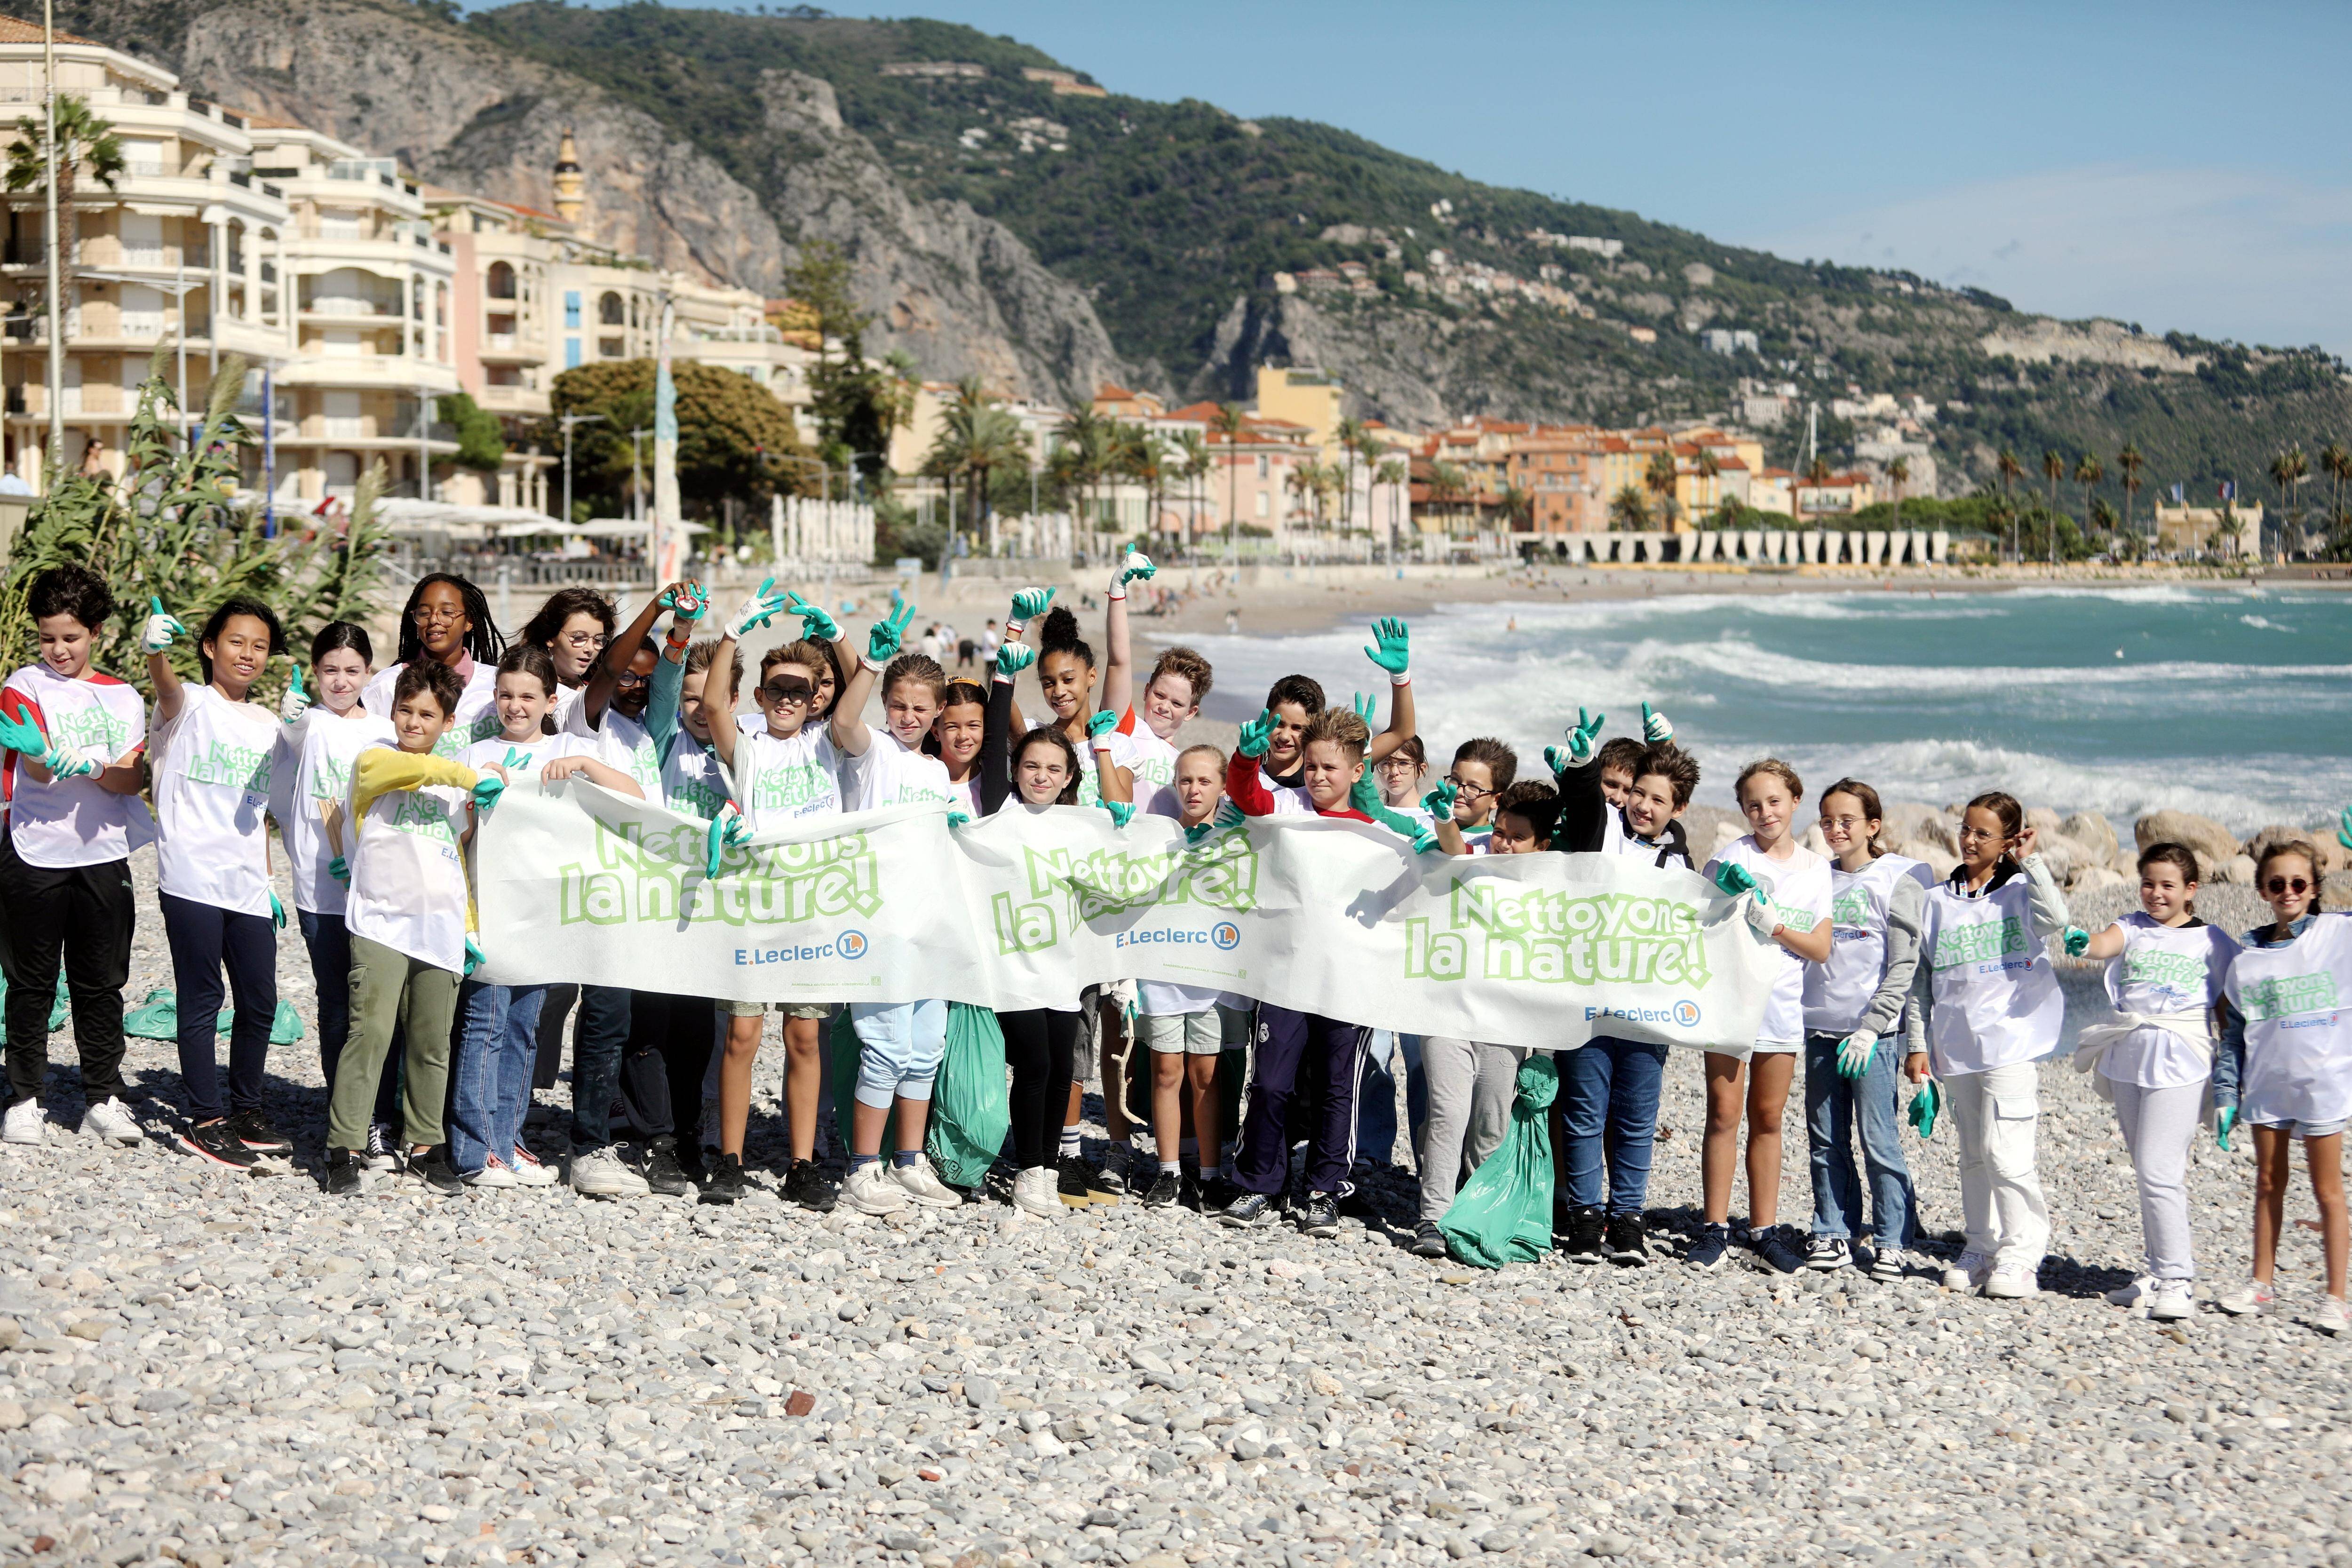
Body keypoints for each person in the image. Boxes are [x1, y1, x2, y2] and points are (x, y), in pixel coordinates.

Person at [451, 644, 642, 1188]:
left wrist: (584, 765)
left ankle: (508, 1142)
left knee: (523, 1029)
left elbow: (635, 797)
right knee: (484, 1024)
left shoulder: (569, 746)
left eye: (528, 696)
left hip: (544, 916)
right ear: (494, 699)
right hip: (490, 910)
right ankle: (473, 1148)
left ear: (550, 700)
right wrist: (472, 802)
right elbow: (456, 836)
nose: (516, 706)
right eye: (506, 695)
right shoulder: (475, 754)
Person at [322, 661, 505, 1196]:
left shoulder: (453, 788)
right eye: (405, 709)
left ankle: (426, 1145)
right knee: (371, 1034)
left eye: (427, 714)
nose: (413, 721)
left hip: (441, 928)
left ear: (448, 721)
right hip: (380, 920)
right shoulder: (375, 761)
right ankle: (344, 1146)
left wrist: (469, 928)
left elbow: (457, 858)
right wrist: (477, 775)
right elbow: (424, 772)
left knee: (431, 1044)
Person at [705, 581, 850, 1212]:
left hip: (811, 910)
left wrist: (840, 638)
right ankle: (730, 1159)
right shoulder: (750, 744)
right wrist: (734, 631)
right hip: (750, 908)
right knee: (741, 1033)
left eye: (801, 690)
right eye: (777, 690)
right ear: (761, 697)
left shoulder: (830, 742)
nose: (788, 699)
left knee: (804, 1039)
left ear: (815, 697)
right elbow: (712, 704)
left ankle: (802, 1162)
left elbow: (850, 699)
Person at [1219, 704, 1385, 1237]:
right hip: (1285, 977)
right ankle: (1258, 1185)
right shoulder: (1288, 806)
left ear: (1357, 772)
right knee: (1269, 1084)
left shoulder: (1375, 832)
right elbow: (1247, 797)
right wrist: (1245, 759)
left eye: (1329, 769)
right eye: (1310, 766)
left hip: (1347, 985)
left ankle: (1322, 1191)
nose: (1316, 776)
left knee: (1339, 1089)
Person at [1905, 791, 2076, 1301]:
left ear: (2006, 842)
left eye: (1983, 833)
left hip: (2012, 1040)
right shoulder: (1937, 901)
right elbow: (1921, 981)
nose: (1970, 840)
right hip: (1955, 1048)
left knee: (2006, 1153)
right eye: (1965, 829)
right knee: (1974, 1155)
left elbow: (2057, 919)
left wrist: (2032, 863)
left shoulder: (2021, 893)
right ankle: (1980, 1246)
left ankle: (2022, 1256)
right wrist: (1917, 1045)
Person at [0, 565, 148, 1148]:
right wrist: (42, 754)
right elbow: (34, 764)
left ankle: (102, 1098)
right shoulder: (22, 683)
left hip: (103, 854)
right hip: (33, 850)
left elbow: (130, 779)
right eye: (47, 637)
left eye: (71, 637)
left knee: (100, 983)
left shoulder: (123, 697)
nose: (58, 649)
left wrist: (89, 766)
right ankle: (25, 1099)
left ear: (97, 632)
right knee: (30, 982)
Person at [145, 595, 293, 1168]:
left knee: (260, 1001)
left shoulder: (270, 725)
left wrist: (269, 877)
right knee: (203, 997)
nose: (248, 654)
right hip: (191, 877)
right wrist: (156, 653)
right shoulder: (190, 705)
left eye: (259, 646)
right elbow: (166, 688)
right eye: (237, 642)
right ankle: (205, 1120)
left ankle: (247, 1110)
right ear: (210, 647)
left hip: (248, 881)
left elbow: (260, 812)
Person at [828, 610, 966, 1215]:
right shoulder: (873, 753)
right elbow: (842, 721)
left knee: (924, 1047)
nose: (908, 718)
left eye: (920, 709)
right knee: (882, 1047)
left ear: (938, 713)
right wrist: (870, 664)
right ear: (887, 703)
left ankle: (909, 1162)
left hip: (929, 929)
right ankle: (863, 1167)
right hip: (879, 923)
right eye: (899, 705)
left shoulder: (938, 772)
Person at [1550, 719, 1694, 1265]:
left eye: (1657, 799)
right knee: (1584, 1114)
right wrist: (1585, 768)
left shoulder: (1677, 857)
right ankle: (1585, 1219)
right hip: (1587, 1004)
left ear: (1675, 810)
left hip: (1646, 1010)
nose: (1642, 805)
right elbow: (1585, 800)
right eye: (1637, 792)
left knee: (1636, 1119)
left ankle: (1627, 1219)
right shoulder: (1603, 829)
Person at [2075, 841, 2236, 1322]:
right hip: (2128, 1058)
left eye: (2167, 885)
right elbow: (2099, 944)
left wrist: (2230, 1084)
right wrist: (2078, 942)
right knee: (2146, 1170)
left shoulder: (2212, 941)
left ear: (2190, 890)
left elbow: (2231, 1012)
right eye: (2148, 883)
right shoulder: (2131, 925)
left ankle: (2178, 1280)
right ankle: (2154, 1270)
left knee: (2158, 1169)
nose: (2155, 893)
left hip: (2182, 1060)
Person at [1694, 760, 1834, 1273]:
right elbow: (1700, 930)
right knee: (1723, 1114)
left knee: (1768, 1118)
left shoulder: (1816, 869)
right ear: (1742, 809)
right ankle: (1713, 1229)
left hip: (1781, 1009)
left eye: (1773, 801)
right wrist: (1725, 897)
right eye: (1752, 804)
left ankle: (1763, 1230)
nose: (1764, 812)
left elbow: (1819, 948)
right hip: (1732, 1005)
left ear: (1795, 800)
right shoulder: (1730, 858)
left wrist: (1774, 927)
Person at [1408, 780, 1558, 1258]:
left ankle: (1474, 1212)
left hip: (1505, 1023)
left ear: (1541, 846)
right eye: (1500, 831)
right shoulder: (1473, 852)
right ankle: (1432, 1218)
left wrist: (1546, 1051)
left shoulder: (1551, 889)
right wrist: (1443, 821)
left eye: (1517, 837)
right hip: (1447, 1010)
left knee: (1491, 1124)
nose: (1503, 843)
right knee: (1447, 1115)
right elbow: (1454, 848)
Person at [271, 621, 397, 1169]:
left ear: (369, 673)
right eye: (329, 671)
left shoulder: (388, 730)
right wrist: (290, 719)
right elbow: (287, 759)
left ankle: (378, 1115)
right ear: (314, 671)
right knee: (335, 1004)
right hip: (319, 888)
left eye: (352, 671)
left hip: (378, 888)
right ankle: (343, 1110)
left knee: (378, 1005)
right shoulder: (307, 723)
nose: (340, 682)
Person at [2214, 837, 2350, 1333]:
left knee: (2328, 1192)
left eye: (2298, 883)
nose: (2287, 891)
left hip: (2322, 1084)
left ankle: (2335, 1297)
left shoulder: (2338, 935)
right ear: (2261, 890)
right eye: (2276, 884)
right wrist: (2225, 1096)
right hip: (2267, 1085)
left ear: (2313, 889)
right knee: (2268, 1184)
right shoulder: (2246, 955)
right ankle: (2260, 1284)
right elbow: (2232, 1036)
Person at [1800, 778, 1932, 1278]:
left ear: (1872, 826)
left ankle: (1893, 1237)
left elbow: (1905, 966)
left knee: (1879, 1141)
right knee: (1825, 1140)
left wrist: (1876, 1028)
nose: (1835, 829)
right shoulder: (1816, 879)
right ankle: (1833, 1230)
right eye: (1827, 820)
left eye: (1846, 820)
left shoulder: (1897, 879)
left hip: (1871, 1040)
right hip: (1820, 1032)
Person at [981, 636, 1094, 1220]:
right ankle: (1028, 1169)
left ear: (1069, 775)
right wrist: (1005, 674)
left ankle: (1048, 1169)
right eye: (1031, 765)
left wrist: (1125, 831)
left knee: (1058, 1069)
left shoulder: (1080, 825)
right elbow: (1000, 731)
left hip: (1061, 968)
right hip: (1009, 966)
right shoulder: (1000, 810)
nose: (1040, 775)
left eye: (1053, 768)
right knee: (1035, 1065)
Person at [1135, 744, 1248, 1209]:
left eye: (1204, 781)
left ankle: (1208, 1171)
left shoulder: (1236, 837)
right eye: (1184, 780)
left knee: (1206, 1074)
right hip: (1161, 974)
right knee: (1165, 1072)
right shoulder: (1156, 837)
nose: (1193, 788)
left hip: (1211, 975)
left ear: (1222, 787)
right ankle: (1166, 1172)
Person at [362, 573, 503, 757]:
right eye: (424, 613)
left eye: (447, 613)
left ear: (469, 621)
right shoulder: (386, 685)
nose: (434, 620)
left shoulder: (496, 684)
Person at [519, 585, 615, 729]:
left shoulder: (603, 691)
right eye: (579, 637)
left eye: (598, 639)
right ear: (551, 637)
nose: (590, 648)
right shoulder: (524, 685)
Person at [1433, 737, 1515, 853]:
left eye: (1474, 787)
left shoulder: (1497, 847)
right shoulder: (1429, 821)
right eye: (1455, 780)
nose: (1459, 791)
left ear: (1496, 800)